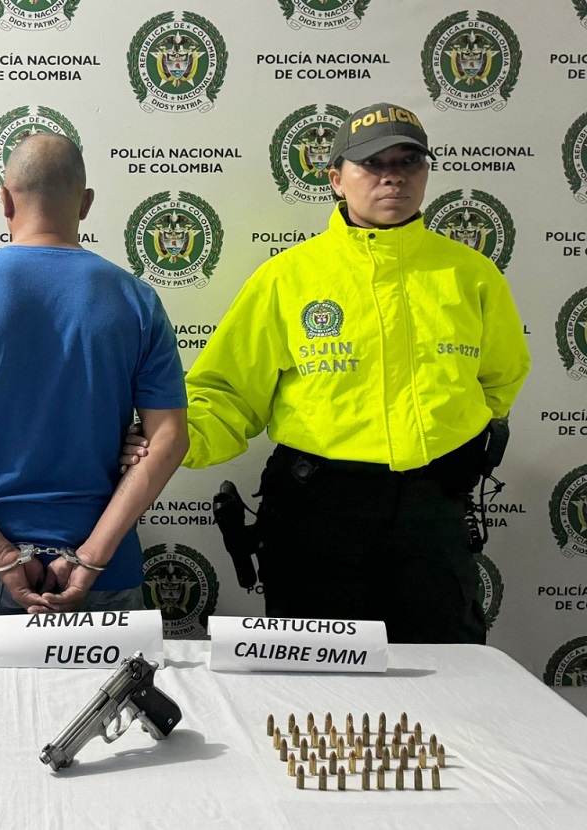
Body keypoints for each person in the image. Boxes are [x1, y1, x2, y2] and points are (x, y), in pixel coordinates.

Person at [124, 102, 529, 644]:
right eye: (372, 163)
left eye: (408, 161)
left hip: (431, 513)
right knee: (315, 673)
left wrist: (450, 438)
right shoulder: (287, 277)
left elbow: (499, 379)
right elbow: (227, 393)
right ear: (336, 179)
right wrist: (172, 441)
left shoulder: (471, 276)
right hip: (318, 512)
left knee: (447, 666)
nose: (392, 176)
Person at [0, 134, 190, 631]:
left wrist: (2, 557)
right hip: (102, 572)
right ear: (86, 203)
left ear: (5, 200)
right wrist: (89, 559)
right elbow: (169, 440)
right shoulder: (137, 300)